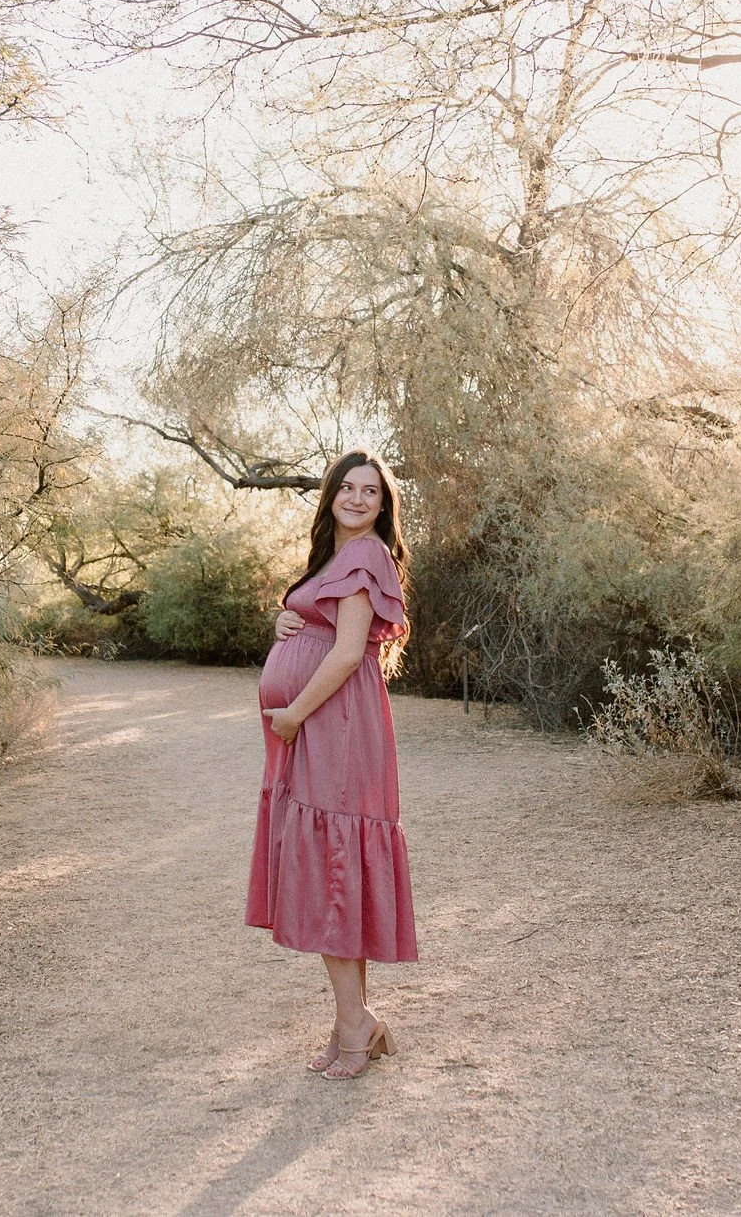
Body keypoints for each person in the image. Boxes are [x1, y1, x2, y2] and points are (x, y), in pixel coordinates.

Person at [247, 449, 416, 1081]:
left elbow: (347, 653)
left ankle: (354, 1028)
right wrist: (290, 620)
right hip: (320, 726)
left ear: (382, 505)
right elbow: (327, 629)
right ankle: (357, 1021)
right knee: (332, 869)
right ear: (331, 496)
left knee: (333, 873)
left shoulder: (367, 554)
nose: (356, 498)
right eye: (346, 488)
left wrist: (292, 714)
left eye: (370, 492)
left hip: (333, 726)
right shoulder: (338, 559)